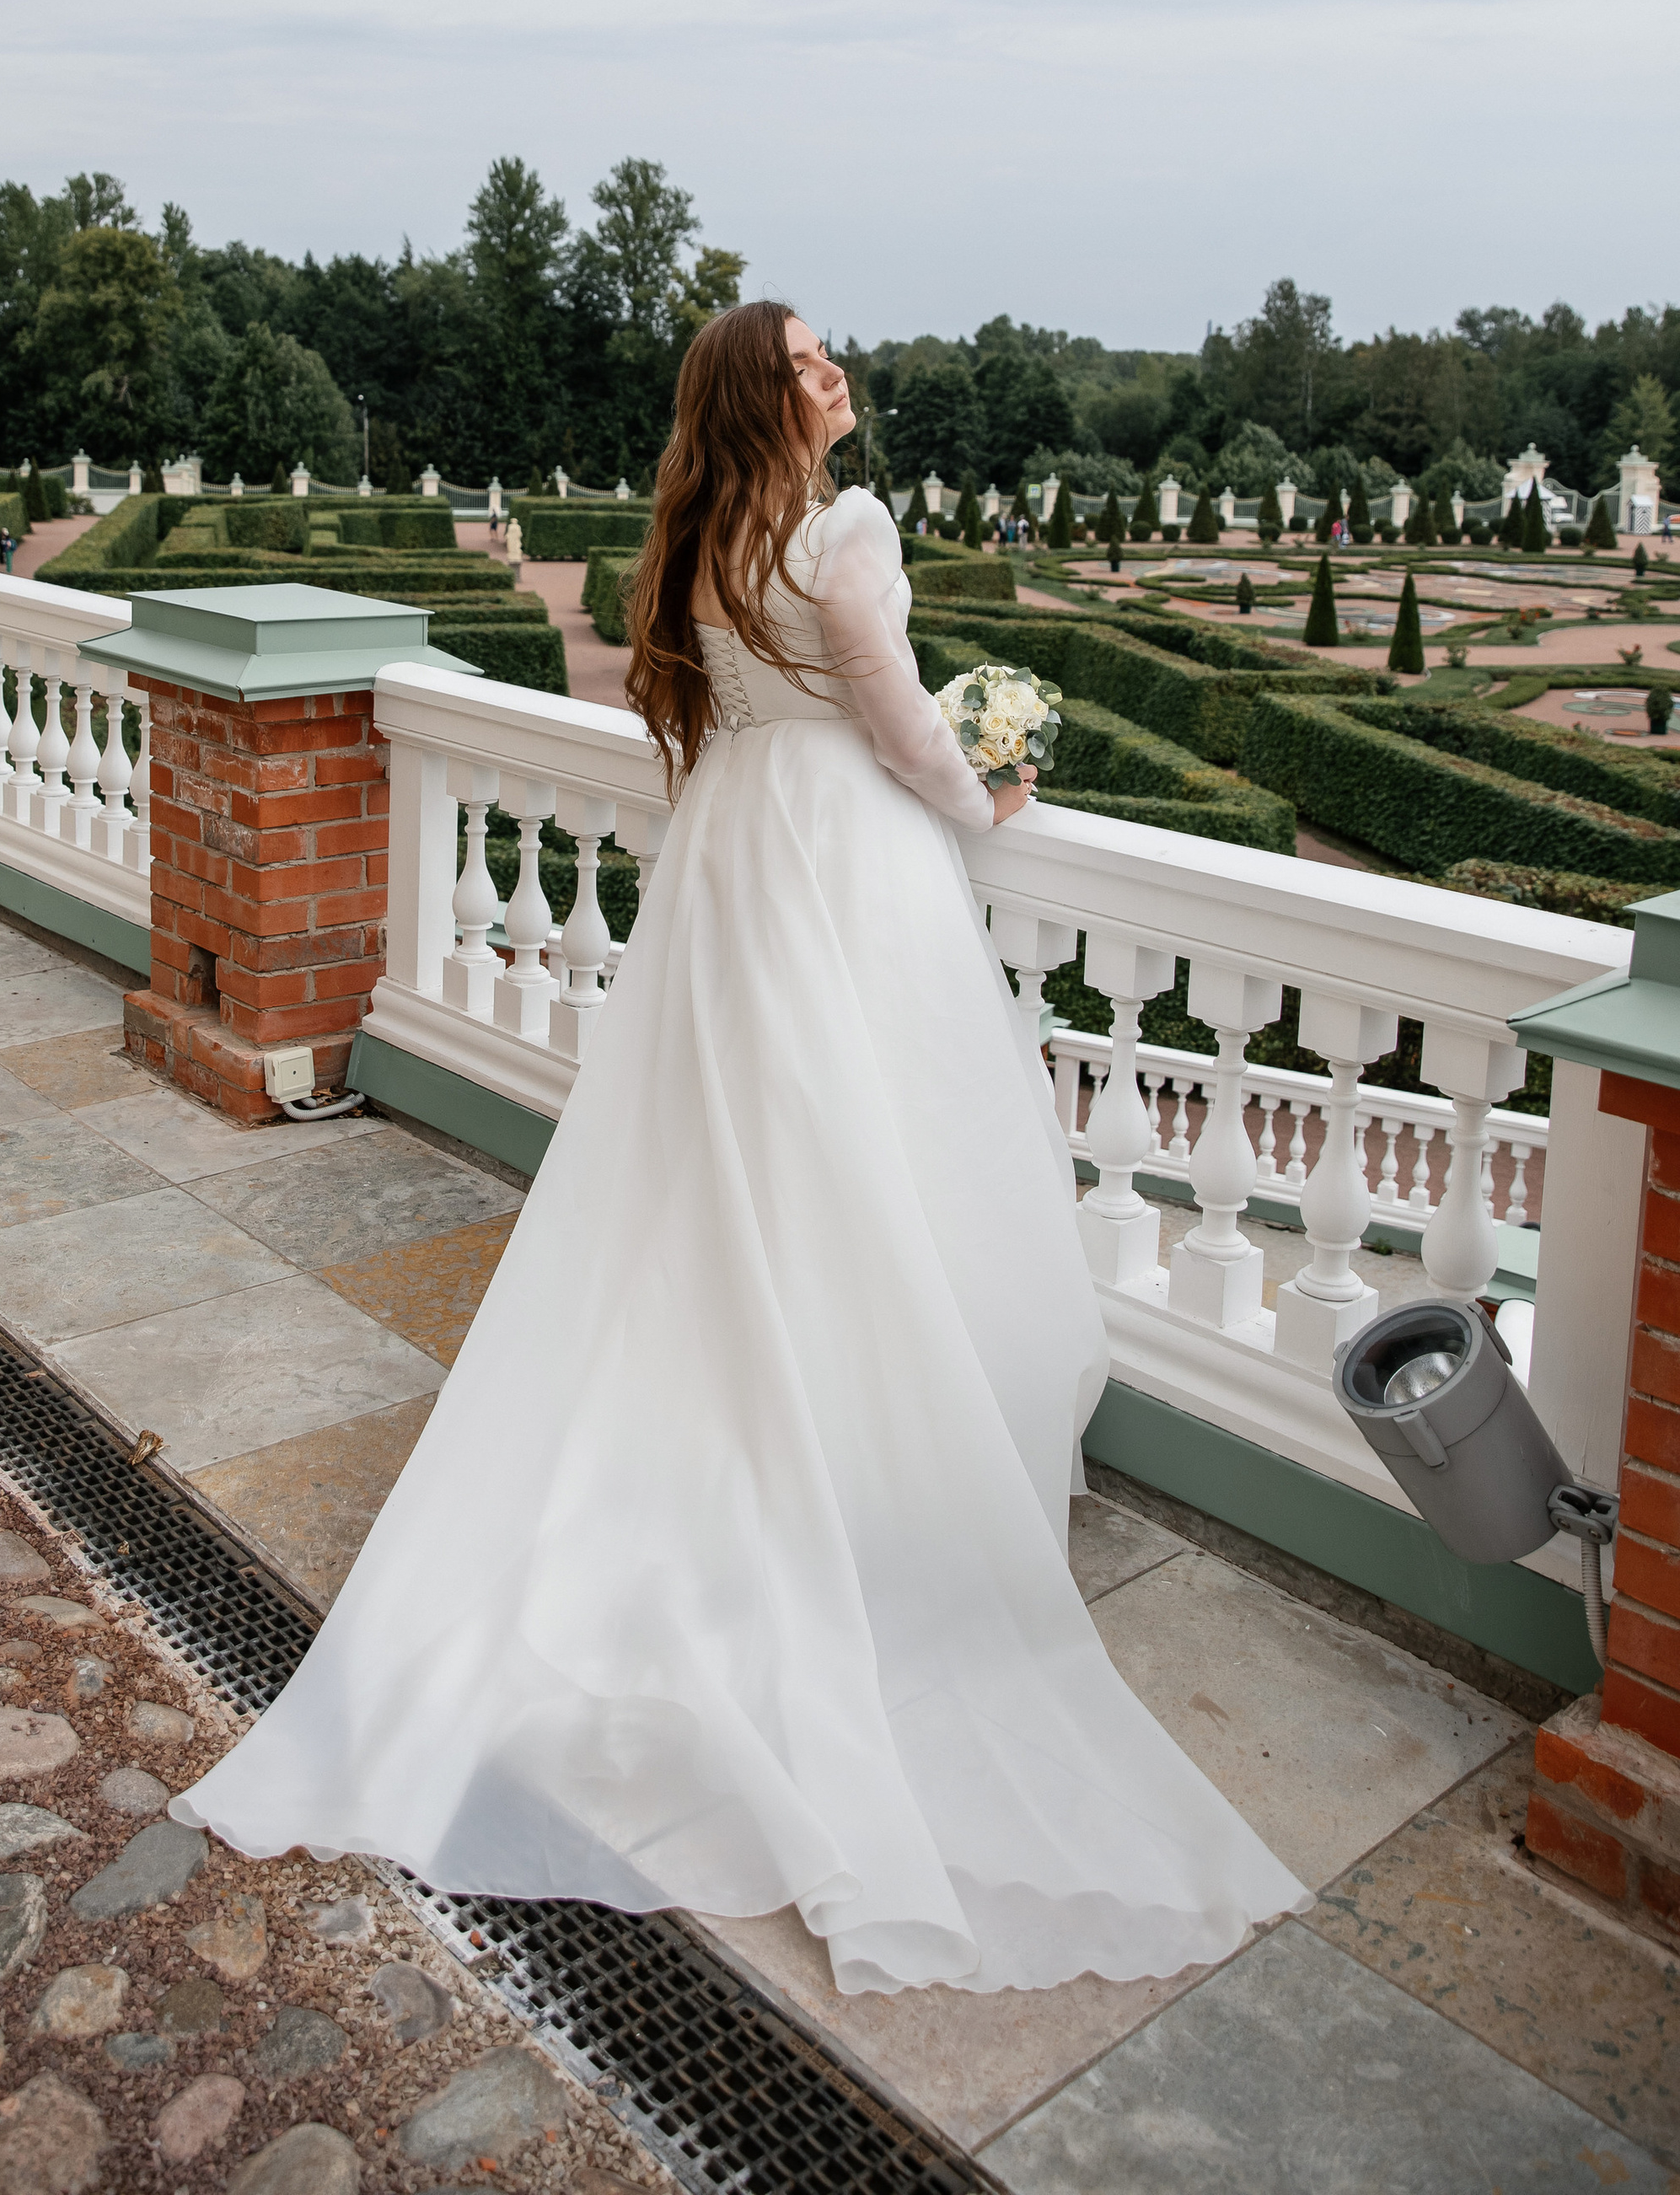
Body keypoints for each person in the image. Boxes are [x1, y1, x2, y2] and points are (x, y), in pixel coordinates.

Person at [172, 301, 1306, 1996]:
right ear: (765, 399)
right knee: (862, 1170)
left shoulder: (701, 540)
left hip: (731, 865)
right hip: (840, 865)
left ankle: (750, 1444)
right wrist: (998, 781)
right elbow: (905, 732)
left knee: (724, 1182)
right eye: (806, 362)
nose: (833, 374)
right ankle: (857, 1478)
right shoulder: (839, 531)